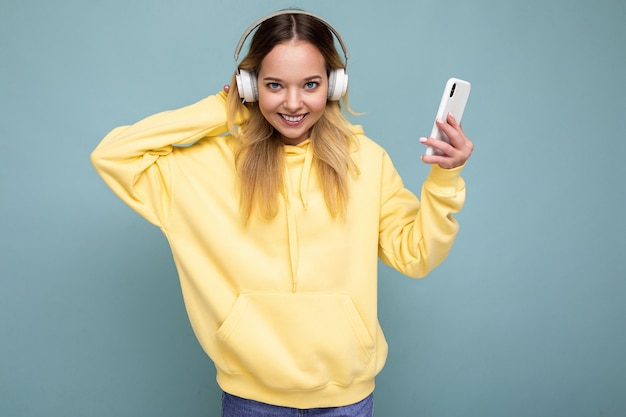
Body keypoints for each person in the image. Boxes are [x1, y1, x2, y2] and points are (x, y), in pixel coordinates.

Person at [90, 9, 473, 417]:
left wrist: (445, 180)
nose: (293, 103)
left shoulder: (366, 162)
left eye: (310, 84)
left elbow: (416, 255)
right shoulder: (206, 168)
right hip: (251, 399)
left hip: (345, 400)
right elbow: (113, 155)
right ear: (250, 87)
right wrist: (223, 109)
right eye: (274, 85)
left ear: (334, 84)